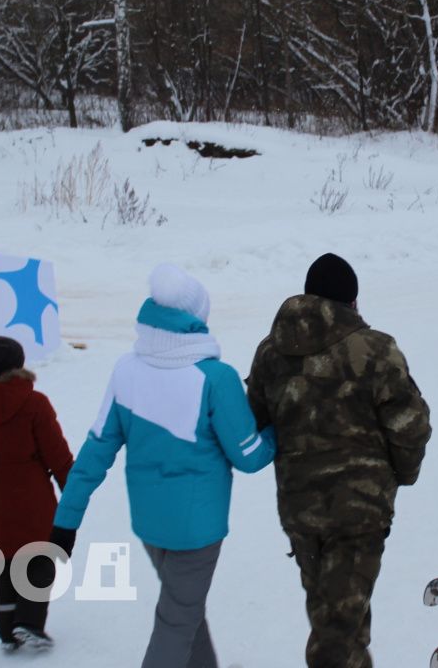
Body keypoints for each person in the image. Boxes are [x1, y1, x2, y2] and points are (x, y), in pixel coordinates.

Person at [51, 264, 275, 668]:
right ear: (197, 318)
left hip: (150, 525)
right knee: (177, 620)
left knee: (183, 609)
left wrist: (66, 521)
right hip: (197, 530)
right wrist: (280, 427)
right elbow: (250, 456)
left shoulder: (127, 370)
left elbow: (95, 452)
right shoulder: (215, 378)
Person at [246, 253, 432, 668]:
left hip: (301, 512)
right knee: (336, 633)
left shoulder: (271, 353)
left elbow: (255, 420)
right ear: (351, 302)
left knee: (339, 618)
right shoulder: (375, 350)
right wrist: (403, 474)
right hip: (359, 511)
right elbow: (410, 425)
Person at [0, 336, 73, 652]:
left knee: (3, 563)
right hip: (32, 499)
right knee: (39, 557)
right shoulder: (35, 404)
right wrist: (73, 492)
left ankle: (8, 632)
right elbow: (57, 454)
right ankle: (30, 623)